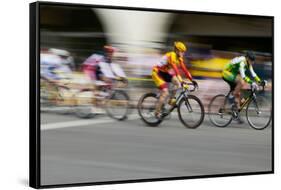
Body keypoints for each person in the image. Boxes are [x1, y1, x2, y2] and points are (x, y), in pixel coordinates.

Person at [152, 41, 198, 118]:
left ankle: (170, 100)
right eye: (182, 51)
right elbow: (176, 70)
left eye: (184, 52)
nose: (183, 53)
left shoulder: (179, 58)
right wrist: (182, 81)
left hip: (164, 73)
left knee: (177, 83)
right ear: (177, 50)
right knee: (165, 92)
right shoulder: (172, 55)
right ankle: (157, 113)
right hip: (157, 72)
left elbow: (185, 70)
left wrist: (192, 80)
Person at [222, 51, 264, 121]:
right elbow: (243, 76)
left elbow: (253, 74)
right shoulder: (242, 62)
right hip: (226, 72)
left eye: (253, 61)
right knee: (241, 82)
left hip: (233, 73)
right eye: (251, 60)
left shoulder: (248, 63)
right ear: (247, 58)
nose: (252, 62)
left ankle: (236, 113)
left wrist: (260, 81)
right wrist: (252, 82)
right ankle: (231, 97)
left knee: (239, 94)